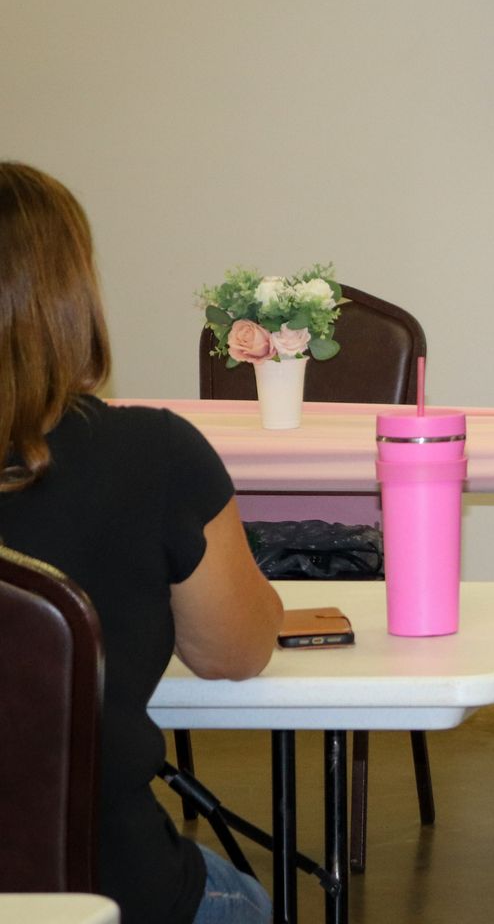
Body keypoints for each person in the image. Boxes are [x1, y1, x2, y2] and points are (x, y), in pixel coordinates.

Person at [0, 162, 284, 924]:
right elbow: (235, 652)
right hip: (103, 888)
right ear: (67, 298)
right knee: (253, 902)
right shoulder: (153, 455)